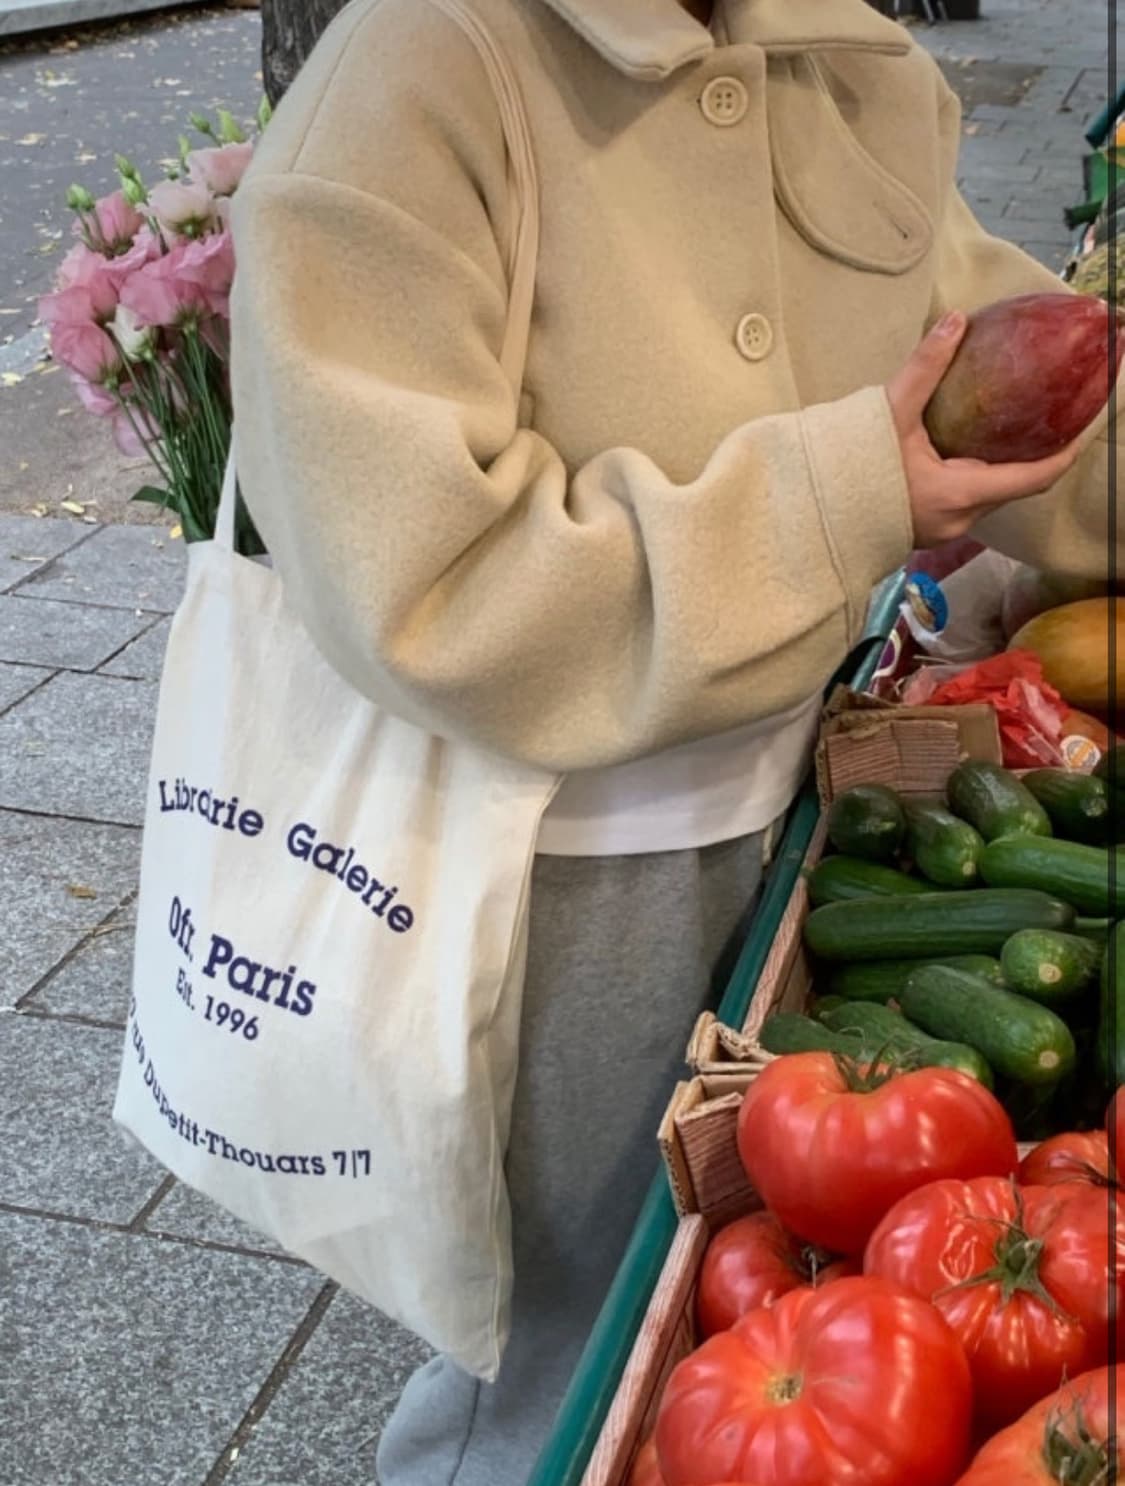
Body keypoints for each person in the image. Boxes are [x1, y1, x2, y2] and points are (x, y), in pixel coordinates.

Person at [229, 0, 1114, 1480]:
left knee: (696, 1339)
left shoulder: (835, 55)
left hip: (787, 822)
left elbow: (978, 363)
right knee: (556, 1365)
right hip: (535, 880)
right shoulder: (418, 74)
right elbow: (415, 578)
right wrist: (844, 496)